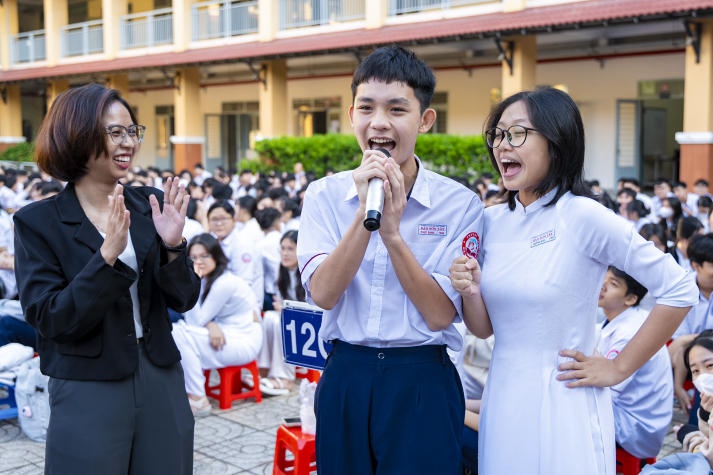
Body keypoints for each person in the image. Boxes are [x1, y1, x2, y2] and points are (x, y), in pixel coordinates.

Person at [449, 86, 697, 475]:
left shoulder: (582, 216)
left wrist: (618, 369)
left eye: (517, 133)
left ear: (557, 142)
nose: (502, 146)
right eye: (497, 134)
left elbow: (681, 288)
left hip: (564, 398)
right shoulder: (491, 221)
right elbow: (482, 329)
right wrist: (471, 289)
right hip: (504, 394)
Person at [297, 45, 483, 475]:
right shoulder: (324, 196)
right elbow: (323, 293)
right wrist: (365, 215)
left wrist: (394, 235)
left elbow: (439, 316)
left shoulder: (459, 204)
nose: (379, 122)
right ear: (352, 116)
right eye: (367, 108)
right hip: (347, 371)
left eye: (397, 109)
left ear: (425, 120)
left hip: (423, 377)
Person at [13, 83, 200, 473]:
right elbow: (49, 316)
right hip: (87, 382)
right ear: (76, 135)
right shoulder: (38, 222)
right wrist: (106, 257)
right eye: (114, 132)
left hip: (157, 370)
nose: (127, 142)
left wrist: (173, 246)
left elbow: (183, 300)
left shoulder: (148, 204)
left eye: (132, 131)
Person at [171, 233, 263, 416]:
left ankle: (198, 398)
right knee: (178, 331)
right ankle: (193, 392)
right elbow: (198, 319)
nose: (199, 261)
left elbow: (195, 320)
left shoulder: (224, 282)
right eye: (194, 257)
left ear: (216, 255)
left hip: (243, 341)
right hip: (225, 334)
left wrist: (193, 283)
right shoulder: (208, 279)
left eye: (204, 256)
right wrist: (210, 324)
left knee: (180, 333)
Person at [597, 266, 673, 459]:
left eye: (613, 284)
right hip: (630, 411)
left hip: (636, 426)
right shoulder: (621, 319)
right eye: (603, 278)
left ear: (630, 299)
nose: (602, 286)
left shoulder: (628, 332)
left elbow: (607, 389)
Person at [257, 229, 302, 396]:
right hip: (291, 318)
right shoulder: (282, 271)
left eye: (291, 249)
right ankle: (265, 370)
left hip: (307, 325)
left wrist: (287, 308)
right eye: (282, 249)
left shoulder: (307, 272)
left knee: (279, 320)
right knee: (269, 317)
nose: (285, 253)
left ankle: (285, 377)